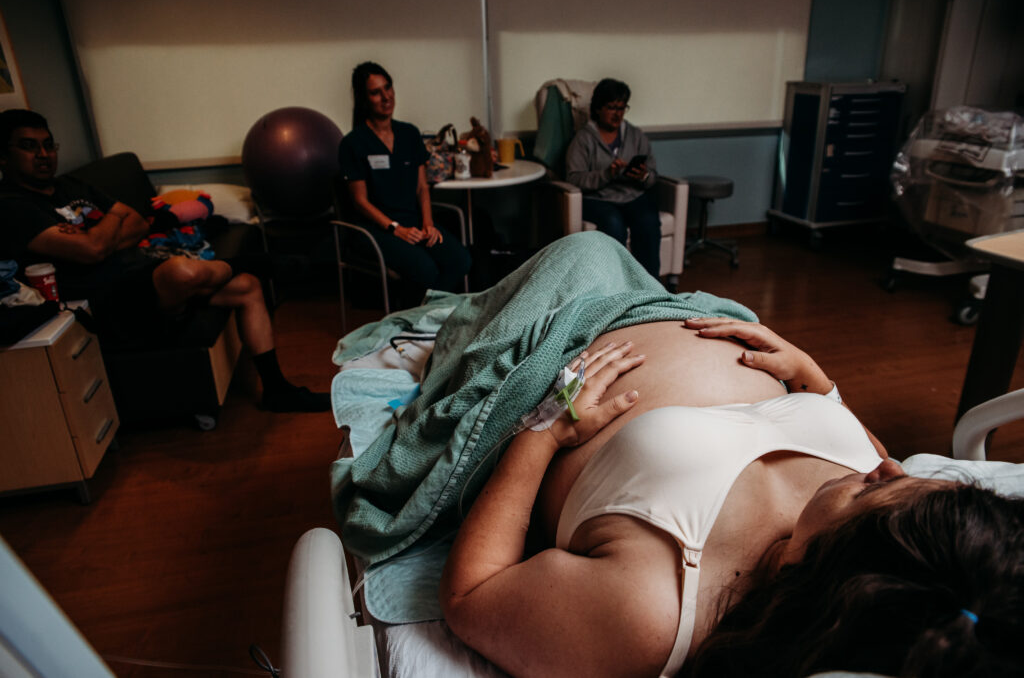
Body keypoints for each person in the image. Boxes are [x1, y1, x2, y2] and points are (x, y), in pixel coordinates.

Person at [439, 317, 1024, 677]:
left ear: (826, 577)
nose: (890, 466)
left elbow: (472, 596)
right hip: (699, 309)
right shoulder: (878, 516)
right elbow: (869, 451)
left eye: (884, 489)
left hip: (574, 329)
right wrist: (820, 385)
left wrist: (543, 433)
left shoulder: (653, 615)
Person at [0, 109, 330, 413]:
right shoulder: (12, 206)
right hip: (105, 302)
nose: (43, 155)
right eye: (29, 147)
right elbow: (92, 251)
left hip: (137, 276)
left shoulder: (69, 186)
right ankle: (261, 262)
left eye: (48, 145)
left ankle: (277, 390)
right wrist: (111, 222)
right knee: (182, 270)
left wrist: (101, 230)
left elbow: (138, 222)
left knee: (247, 286)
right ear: (4, 154)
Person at [337, 61, 471, 304]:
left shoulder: (409, 134)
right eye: (376, 92)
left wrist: (429, 224)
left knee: (460, 260)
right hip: (377, 229)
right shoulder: (353, 143)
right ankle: (419, 319)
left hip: (415, 222)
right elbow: (359, 201)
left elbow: (422, 187)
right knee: (426, 270)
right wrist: (395, 228)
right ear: (364, 98)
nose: (386, 97)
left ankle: (424, 315)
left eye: (388, 88)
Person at [565, 78, 662, 278]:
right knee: (613, 223)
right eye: (611, 107)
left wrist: (643, 176)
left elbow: (653, 177)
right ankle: (615, 284)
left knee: (649, 220)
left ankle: (650, 286)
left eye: (622, 107)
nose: (617, 113)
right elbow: (573, 179)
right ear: (598, 108)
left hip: (631, 195)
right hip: (598, 198)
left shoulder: (636, 136)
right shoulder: (583, 139)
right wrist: (606, 174)